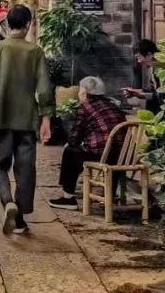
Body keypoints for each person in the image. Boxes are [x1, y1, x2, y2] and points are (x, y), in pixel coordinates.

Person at [0, 5, 54, 235]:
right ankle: (20, 217)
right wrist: (46, 118)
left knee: (0, 165)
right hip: (27, 119)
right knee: (25, 168)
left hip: (0, 116)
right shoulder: (35, 52)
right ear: (28, 25)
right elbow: (44, 88)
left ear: (7, 24)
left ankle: (8, 201)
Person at [48, 76, 126, 210]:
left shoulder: (86, 107)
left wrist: (72, 144)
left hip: (101, 155)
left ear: (84, 93)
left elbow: (74, 138)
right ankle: (110, 195)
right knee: (110, 151)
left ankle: (68, 197)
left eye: (80, 90)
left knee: (70, 152)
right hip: (122, 155)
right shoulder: (113, 106)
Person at [122, 39, 160, 112]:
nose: (139, 61)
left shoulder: (164, 69)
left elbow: (164, 96)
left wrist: (142, 95)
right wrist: (135, 92)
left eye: (139, 57)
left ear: (149, 55)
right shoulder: (153, 69)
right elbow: (153, 91)